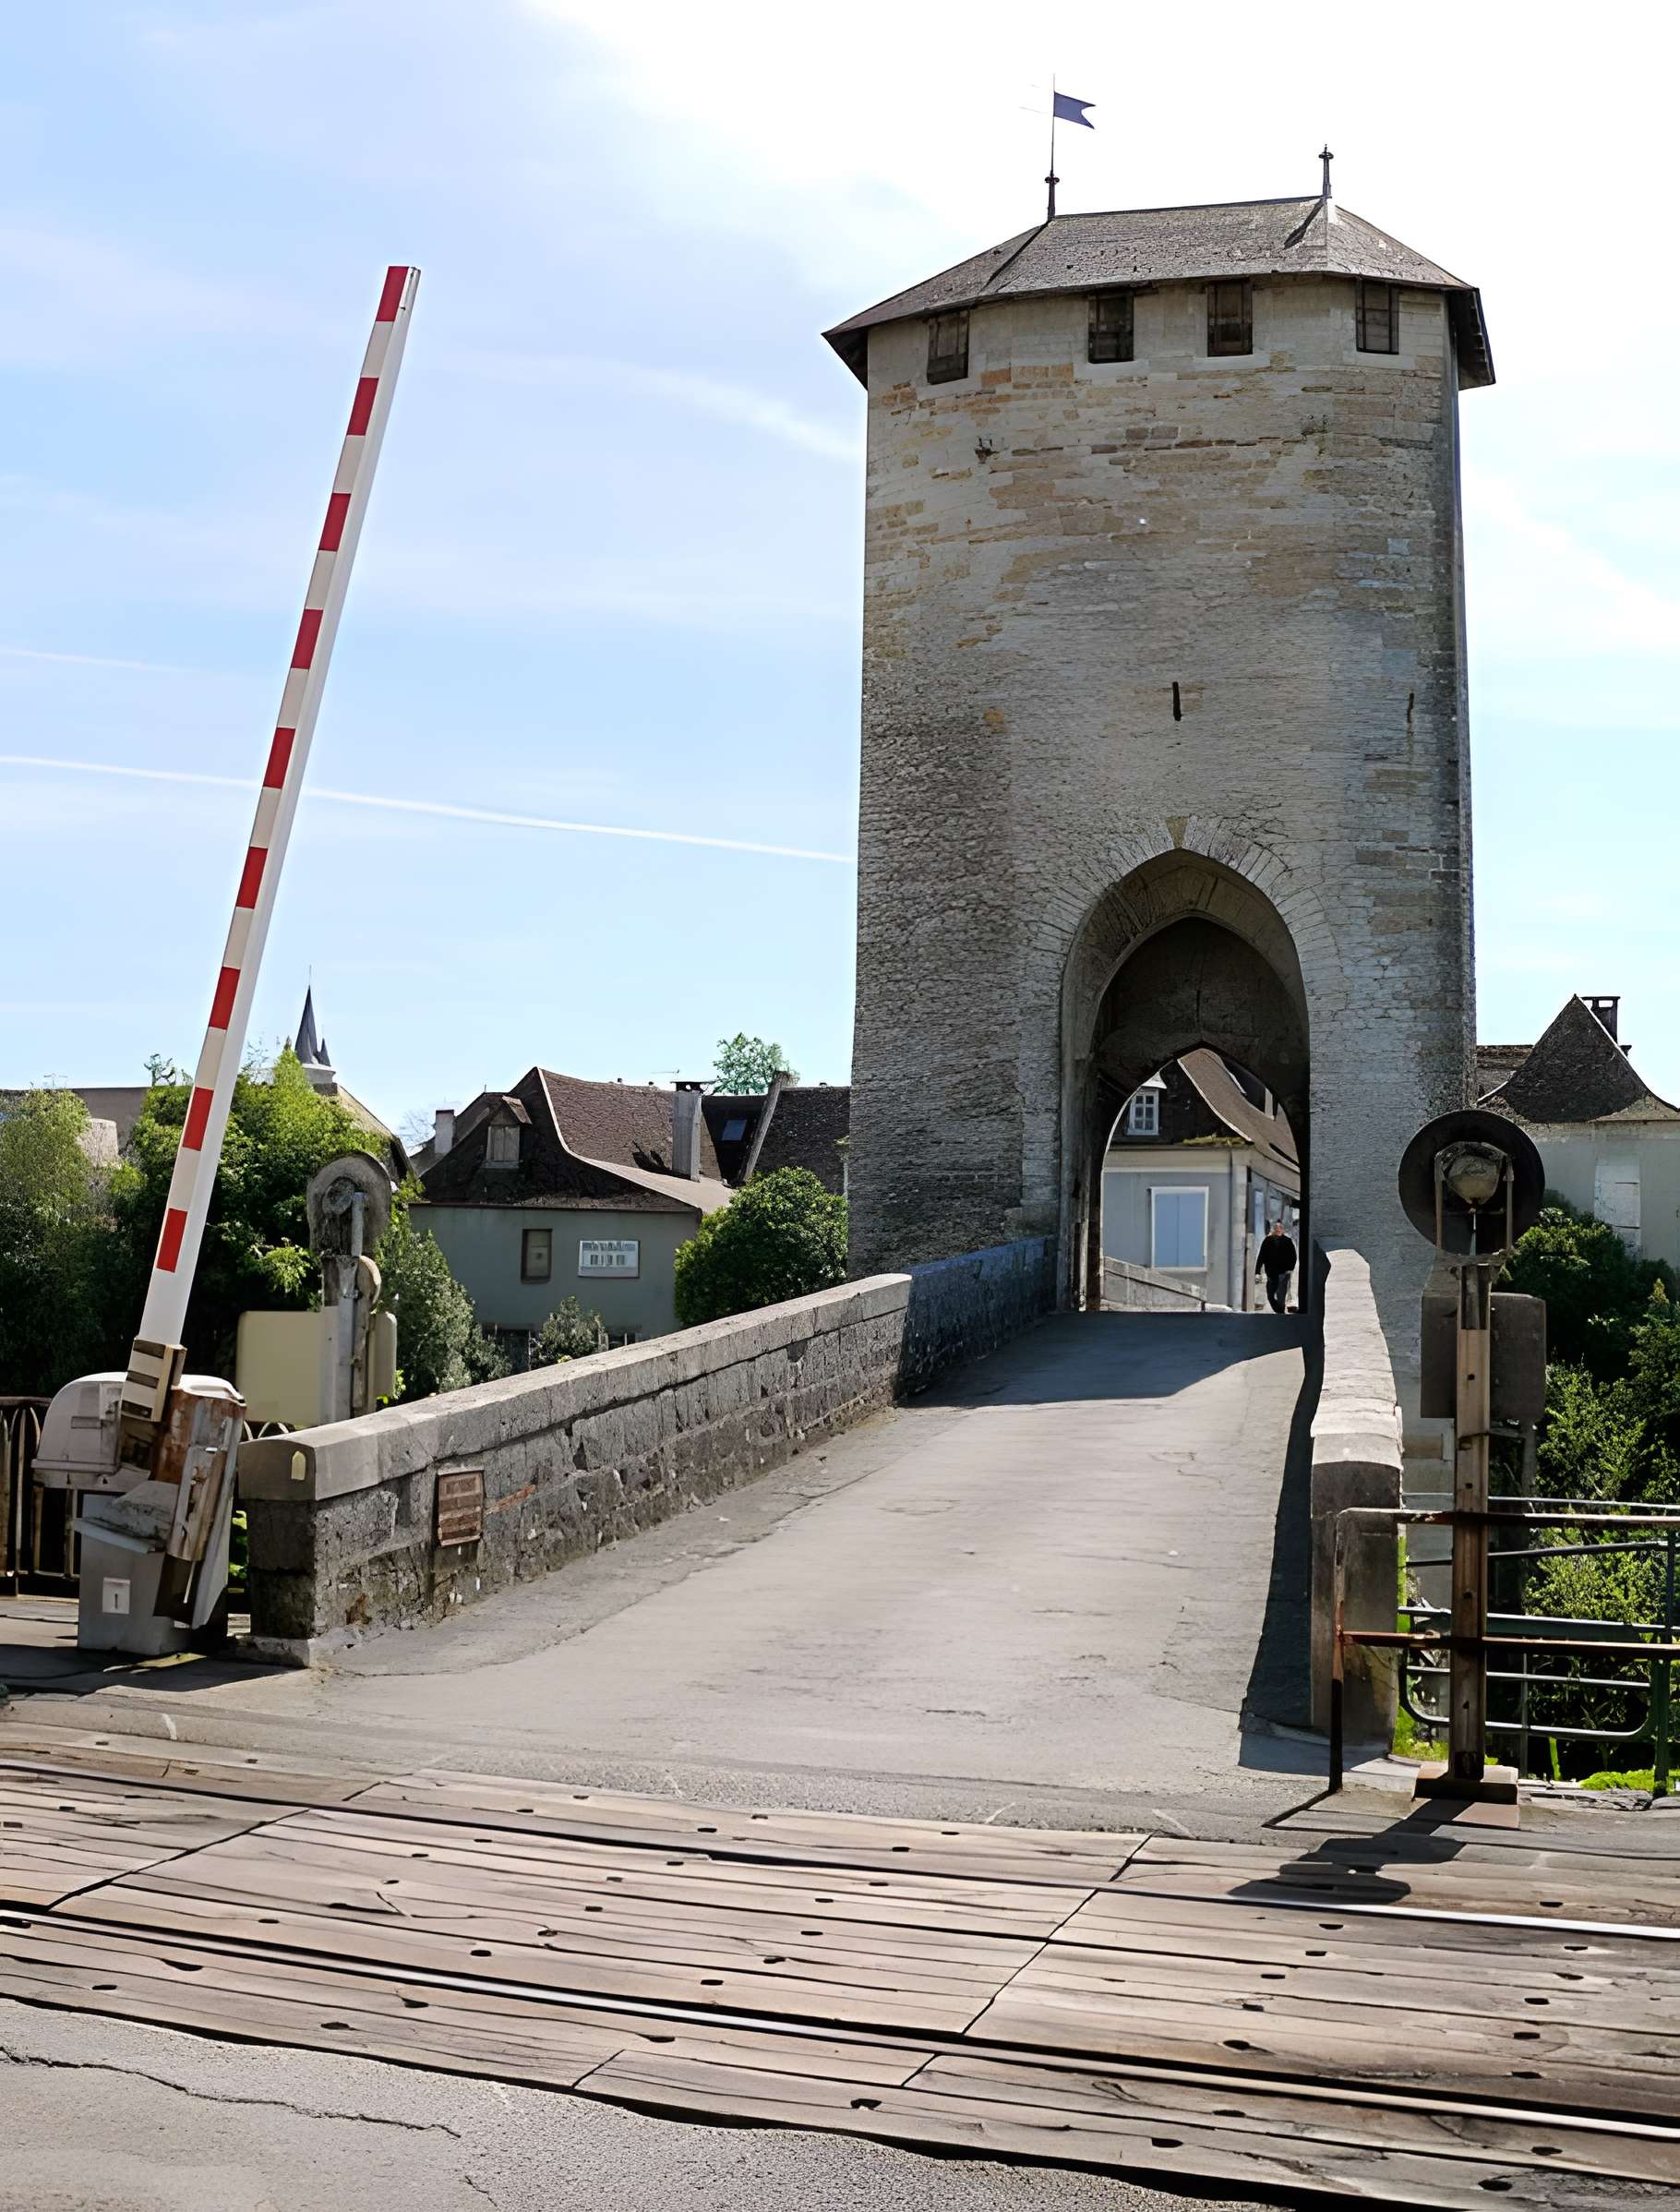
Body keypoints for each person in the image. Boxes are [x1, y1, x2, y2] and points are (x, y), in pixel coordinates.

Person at [1255, 1220, 1297, 1314]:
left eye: (1280, 1228)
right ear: (1273, 1230)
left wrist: (1290, 1268)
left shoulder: (1287, 1241)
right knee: (1270, 1294)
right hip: (1271, 1273)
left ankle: (1280, 1311)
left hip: (1284, 1273)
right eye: (1276, 1228)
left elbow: (1293, 1256)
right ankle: (1279, 1310)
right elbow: (1261, 1256)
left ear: (1282, 1230)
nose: (1278, 1229)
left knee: (1281, 1294)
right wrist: (1257, 1271)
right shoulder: (1267, 1241)